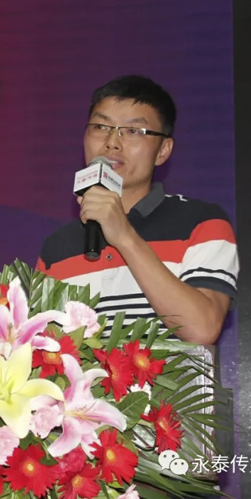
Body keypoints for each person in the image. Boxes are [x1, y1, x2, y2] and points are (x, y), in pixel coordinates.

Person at [35, 75, 239, 345]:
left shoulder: (202, 223)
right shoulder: (56, 246)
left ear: (163, 150)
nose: (112, 142)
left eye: (133, 131)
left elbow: (201, 329)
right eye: (100, 126)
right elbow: (46, 349)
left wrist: (124, 236)